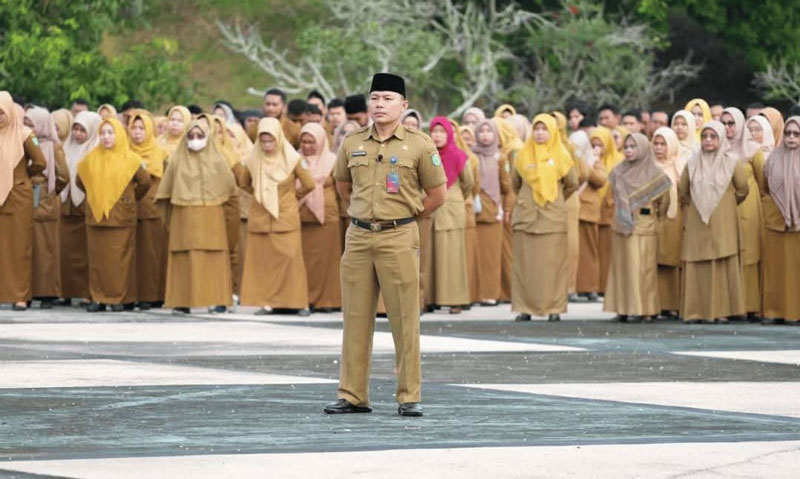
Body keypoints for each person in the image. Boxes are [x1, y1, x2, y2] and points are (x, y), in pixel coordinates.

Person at [325, 73, 446, 417]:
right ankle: (352, 394)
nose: (379, 104)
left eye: (388, 98)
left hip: (399, 235)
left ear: (404, 105)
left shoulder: (420, 144)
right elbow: (343, 185)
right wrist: (363, 215)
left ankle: (409, 396)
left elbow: (438, 194)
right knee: (356, 317)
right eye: (375, 97)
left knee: (404, 319)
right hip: (360, 236)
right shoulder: (353, 142)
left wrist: (408, 215)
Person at [155, 119, 237, 314]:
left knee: (213, 257)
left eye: (200, 136)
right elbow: (164, 195)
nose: (195, 140)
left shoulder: (218, 161)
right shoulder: (176, 161)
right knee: (184, 258)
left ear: (208, 138)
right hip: (184, 218)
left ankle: (217, 300)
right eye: (191, 136)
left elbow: (231, 194)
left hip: (212, 217)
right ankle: (181, 301)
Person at [240, 118, 314, 316]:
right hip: (261, 217)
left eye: (270, 141)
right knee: (267, 262)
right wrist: (261, 194)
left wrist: (290, 197)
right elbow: (244, 183)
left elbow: (309, 184)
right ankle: (270, 302)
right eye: (263, 141)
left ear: (278, 139)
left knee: (291, 258)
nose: (267, 146)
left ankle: (298, 303)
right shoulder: (252, 159)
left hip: (286, 217)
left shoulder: (292, 158)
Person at [77, 117, 151, 312]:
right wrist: (96, 195)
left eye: (111, 133)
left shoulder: (132, 159)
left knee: (120, 261)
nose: (106, 137)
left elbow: (145, 183)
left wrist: (128, 198)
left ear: (119, 134)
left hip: (121, 218)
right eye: (103, 133)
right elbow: (80, 181)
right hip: (96, 217)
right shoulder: (90, 159)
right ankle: (98, 298)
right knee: (97, 261)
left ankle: (120, 298)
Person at [678, 121, 748, 323]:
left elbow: (743, 189)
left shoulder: (732, 162)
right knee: (697, 262)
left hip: (723, 221)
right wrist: (701, 203)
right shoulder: (692, 163)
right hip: (697, 221)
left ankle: (722, 311)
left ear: (721, 138)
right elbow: (683, 192)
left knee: (721, 262)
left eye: (713, 136)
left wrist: (724, 205)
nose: (708, 140)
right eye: (704, 136)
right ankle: (695, 312)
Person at [511, 114, 578, 322]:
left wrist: (556, 198)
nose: (540, 133)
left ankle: (554, 308)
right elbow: (515, 184)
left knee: (553, 266)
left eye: (545, 129)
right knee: (525, 265)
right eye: (537, 129)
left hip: (552, 218)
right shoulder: (522, 155)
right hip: (526, 217)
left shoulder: (562, 155)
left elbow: (572, 183)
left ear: (553, 131)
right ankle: (525, 308)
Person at [603, 133, 671, 322]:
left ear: (642, 148)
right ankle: (622, 309)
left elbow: (664, 201)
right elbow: (611, 197)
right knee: (622, 268)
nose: (629, 150)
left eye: (633, 147)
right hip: (621, 226)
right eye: (626, 147)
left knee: (643, 270)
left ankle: (646, 310)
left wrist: (655, 218)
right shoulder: (618, 171)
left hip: (644, 226)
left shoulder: (654, 174)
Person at [0, 93, 47, 310]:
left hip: (18, 198)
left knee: (20, 247)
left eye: (2, 112)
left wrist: (21, 178)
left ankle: (20, 295)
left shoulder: (25, 135)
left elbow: (40, 162)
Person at [754, 116, 800, 324]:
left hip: (797, 226)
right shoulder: (772, 158)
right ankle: (773, 311)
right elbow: (764, 187)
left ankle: (795, 313)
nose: (791, 138)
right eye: (788, 133)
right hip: (776, 223)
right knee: (775, 271)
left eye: (796, 134)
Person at [24, 107, 70, 309]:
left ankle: (47, 292)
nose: (28, 127)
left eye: (31, 123)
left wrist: (50, 192)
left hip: (45, 202)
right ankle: (28, 290)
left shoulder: (54, 147)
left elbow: (64, 177)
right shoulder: (26, 142)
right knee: (30, 248)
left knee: (47, 249)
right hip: (28, 200)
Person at [429, 116, 473, 314]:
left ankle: (456, 300)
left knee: (453, 257)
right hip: (429, 210)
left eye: (441, 132)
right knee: (430, 257)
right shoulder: (426, 155)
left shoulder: (459, 155)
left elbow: (469, 183)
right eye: (434, 131)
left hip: (451, 210)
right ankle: (430, 298)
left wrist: (454, 197)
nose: (437, 136)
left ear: (449, 134)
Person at [723, 107, 763, 321]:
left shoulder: (753, 150)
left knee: (748, 254)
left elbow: (763, 182)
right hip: (725, 208)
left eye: (732, 123)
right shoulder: (717, 148)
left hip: (748, 206)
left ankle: (749, 305)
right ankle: (730, 306)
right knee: (729, 254)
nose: (728, 128)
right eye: (725, 123)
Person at [298, 122, 342, 311]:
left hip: (327, 217)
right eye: (304, 142)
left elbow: (342, 189)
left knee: (328, 261)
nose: (307, 146)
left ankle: (328, 301)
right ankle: (304, 298)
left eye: (311, 142)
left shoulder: (333, 161)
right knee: (305, 260)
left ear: (322, 141)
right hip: (301, 217)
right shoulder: (294, 160)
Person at [128, 111, 169, 310]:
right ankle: (133, 294)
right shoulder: (124, 151)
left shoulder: (159, 152)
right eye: (133, 128)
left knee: (151, 255)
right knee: (133, 255)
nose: (137, 133)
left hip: (152, 210)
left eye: (141, 128)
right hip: (129, 210)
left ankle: (153, 295)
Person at [60, 111, 101, 306]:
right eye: (75, 129)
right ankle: (66, 291)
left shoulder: (96, 149)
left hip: (85, 204)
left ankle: (87, 292)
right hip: (67, 204)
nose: (77, 134)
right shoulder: (66, 147)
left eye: (82, 130)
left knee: (86, 253)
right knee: (67, 252)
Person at [471, 119, 510, 305]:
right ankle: (477, 293)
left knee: (492, 258)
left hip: (494, 213)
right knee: (476, 256)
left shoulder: (500, 157)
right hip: (476, 213)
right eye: (481, 131)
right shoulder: (471, 156)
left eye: (489, 131)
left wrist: (505, 208)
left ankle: (492, 294)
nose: (485, 135)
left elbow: (506, 186)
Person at [651, 127, 684, 317]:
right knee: (653, 262)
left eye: (663, 144)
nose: (659, 148)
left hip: (674, 219)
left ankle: (672, 303)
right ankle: (655, 304)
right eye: (656, 143)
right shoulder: (647, 166)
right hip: (652, 218)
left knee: (671, 261)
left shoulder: (678, 166)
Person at [591, 126, 623, 296]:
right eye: (593, 145)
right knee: (596, 252)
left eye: (600, 145)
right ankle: (596, 285)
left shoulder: (619, 161)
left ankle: (607, 287)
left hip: (611, 212)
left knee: (608, 253)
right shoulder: (590, 161)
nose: (596, 149)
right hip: (592, 212)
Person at [495, 117, 524, 303]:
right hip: (509, 205)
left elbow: (514, 183)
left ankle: (512, 292)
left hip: (511, 206)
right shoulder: (508, 148)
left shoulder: (514, 149)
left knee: (509, 251)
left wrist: (508, 208)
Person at [454, 121, 482, 306]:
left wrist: (461, 197)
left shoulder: (469, 158)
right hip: (448, 211)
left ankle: (468, 295)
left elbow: (472, 184)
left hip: (465, 207)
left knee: (466, 254)